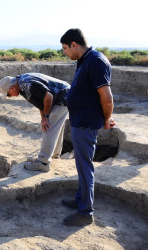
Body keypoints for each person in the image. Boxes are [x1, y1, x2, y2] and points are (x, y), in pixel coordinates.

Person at [60, 28, 115, 226]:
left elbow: (107, 98)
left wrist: (107, 119)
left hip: (86, 124)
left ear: (74, 45)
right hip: (80, 122)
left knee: (85, 167)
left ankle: (85, 213)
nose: (65, 52)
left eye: (65, 48)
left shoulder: (96, 61)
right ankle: (81, 200)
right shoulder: (85, 60)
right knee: (81, 164)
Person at [0, 73, 70, 172]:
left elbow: (48, 97)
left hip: (64, 96)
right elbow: (40, 102)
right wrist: (42, 118)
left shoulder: (27, 84)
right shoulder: (21, 87)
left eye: (8, 94)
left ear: (12, 88)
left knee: (49, 126)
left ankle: (43, 162)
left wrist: (46, 117)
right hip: (61, 96)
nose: (10, 97)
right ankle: (54, 155)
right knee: (53, 125)